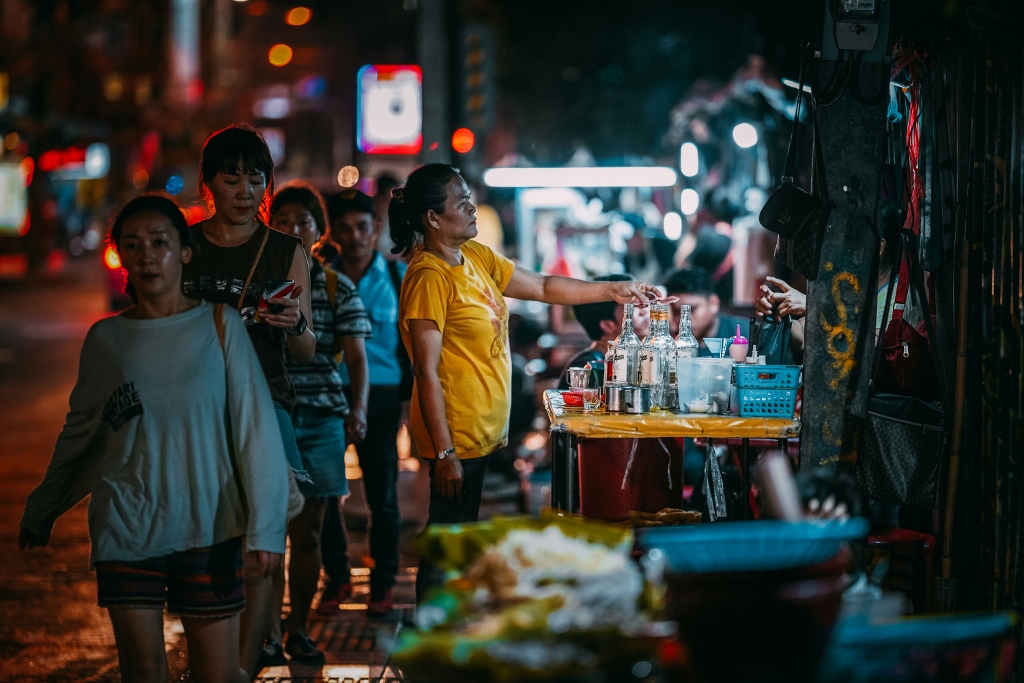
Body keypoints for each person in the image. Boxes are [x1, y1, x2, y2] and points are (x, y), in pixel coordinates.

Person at [20, 195, 289, 683]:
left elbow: (257, 430)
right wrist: (45, 506)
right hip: (128, 526)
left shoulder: (219, 326)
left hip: (210, 526)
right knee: (143, 672)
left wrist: (266, 528)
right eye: (133, 245)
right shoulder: (106, 341)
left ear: (184, 252)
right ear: (121, 256)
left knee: (217, 673)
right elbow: (81, 435)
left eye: (160, 243)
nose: (147, 255)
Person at [391, 164, 659, 601]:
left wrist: (611, 291)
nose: (473, 208)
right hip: (455, 437)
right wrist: (443, 453)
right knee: (446, 542)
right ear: (433, 218)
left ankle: (448, 629)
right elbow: (425, 370)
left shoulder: (475, 258)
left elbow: (543, 285)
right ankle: (432, 633)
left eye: (469, 197)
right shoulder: (428, 277)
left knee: (459, 537)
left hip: (480, 431)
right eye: (461, 202)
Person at [181, 124, 314, 678]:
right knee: (204, 542)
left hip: (266, 403)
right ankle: (211, 656)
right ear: (208, 182)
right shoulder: (183, 246)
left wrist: (295, 321)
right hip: (193, 409)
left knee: (266, 539)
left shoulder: (285, 250)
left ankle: (245, 662)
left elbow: (306, 352)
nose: (243, 189)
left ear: (267, 184)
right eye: (230, 176)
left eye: (254, 177)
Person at [262, 184, 371, 664]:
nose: (294, 229)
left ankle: (298, 628)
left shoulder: (334, 286)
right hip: (268, 419)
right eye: (283, 220)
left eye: (303, 220)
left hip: (323, 418)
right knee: (265, 535)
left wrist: (358, 408)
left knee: (308, 532)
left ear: (318, 228)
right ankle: (265, 631)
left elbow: (357, 358)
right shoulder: (256, 284)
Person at [320, 188, 405, 616]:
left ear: (376, 229)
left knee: (383, 496)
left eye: (363, 227)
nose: (355, 236)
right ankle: (337, 580)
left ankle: (383, 585)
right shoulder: (319, 277)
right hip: (329, 396)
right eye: (345, 228)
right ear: (332, 233)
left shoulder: (398, 279)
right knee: (325, 495)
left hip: (385, 398)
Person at [557, 274, 649, 389]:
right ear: (608, 325)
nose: (644, 311)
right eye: (634, 307)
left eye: (643, 304)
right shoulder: (589, 367)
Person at [663, 267, 748, 353]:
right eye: (676, 311)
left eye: (691, 310)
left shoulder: (746, 334)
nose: (683, 319)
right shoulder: (666, 340)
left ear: (713, 303)